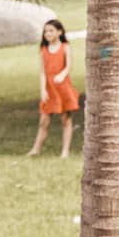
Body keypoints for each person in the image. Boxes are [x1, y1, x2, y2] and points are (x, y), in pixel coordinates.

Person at [27, 19, 81, 158]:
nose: (48, 33)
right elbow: (42, 72)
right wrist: (43, 90)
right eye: (46, 31)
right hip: (49, 89)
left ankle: (65, 151)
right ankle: (36, 149)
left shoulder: (65, 47)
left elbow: (68, 66)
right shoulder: (44, 50)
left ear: (59, 32)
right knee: (44, 121)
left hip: (63, 88)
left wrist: (62, 75)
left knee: (66, 120)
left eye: (51, 31)